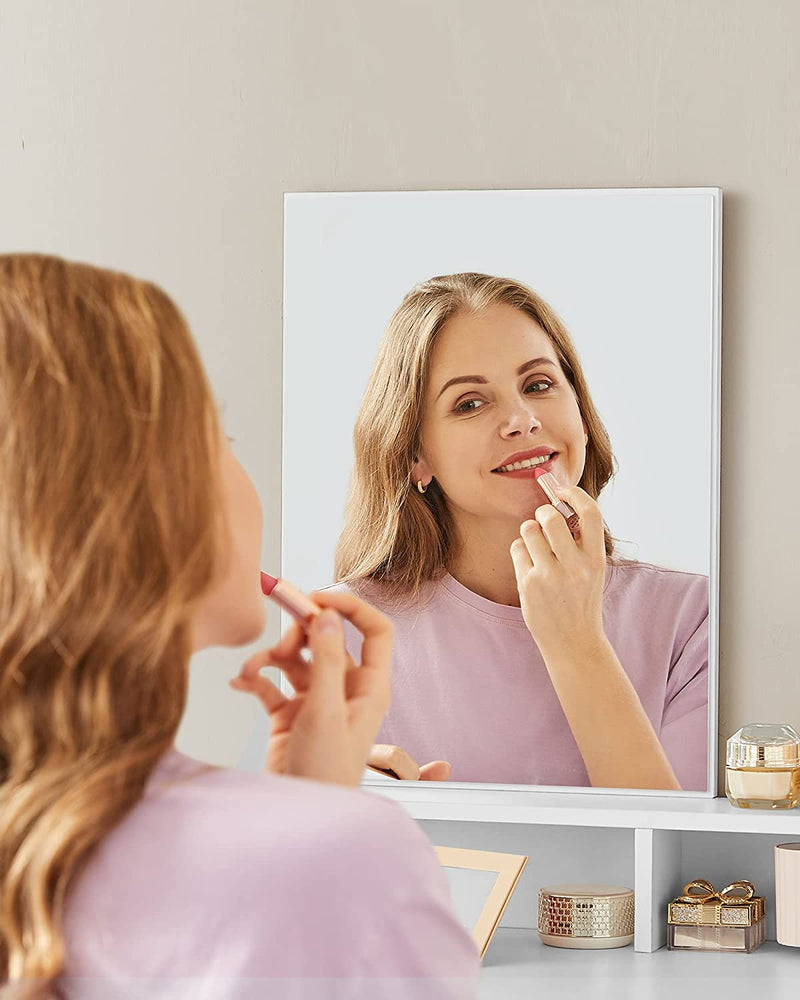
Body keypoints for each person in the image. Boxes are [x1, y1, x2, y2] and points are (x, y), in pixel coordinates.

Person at [0, 255, 480, 999]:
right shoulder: (332, 860)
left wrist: (307, 810)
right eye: (216, 437)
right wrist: (316, 838)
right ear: (135, 503)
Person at [331, 273, 709, 790]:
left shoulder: (691, 620)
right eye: (469, 403)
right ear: (415, 456)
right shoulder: (341, 632)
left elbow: (683, 860)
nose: (522, 419)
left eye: (538, 385)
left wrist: (576, 642)